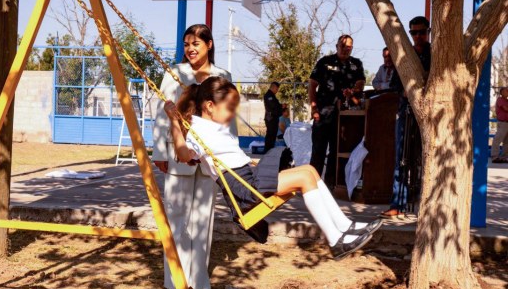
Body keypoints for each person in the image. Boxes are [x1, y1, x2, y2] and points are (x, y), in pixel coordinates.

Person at [164, 76, 382, 260]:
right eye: (229, 108)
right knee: (305, 178)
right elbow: (184, 155)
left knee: (310, 171)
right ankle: (336, 240)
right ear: (210, 106)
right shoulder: (197, 131)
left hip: (249, 178)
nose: (232, 113)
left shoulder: (214, 127)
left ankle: (346, 227)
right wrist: (174, 122)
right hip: (244, 189)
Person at [152, 24, 233, 289]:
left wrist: (225, 157)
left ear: (209, 45)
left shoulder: (223, 75)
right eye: (186, 44)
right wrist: (160, 152)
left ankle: (198, 278)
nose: (190, 49)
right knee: (177, 218)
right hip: (179, 153)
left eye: (196, 43)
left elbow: (226, 118)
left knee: (203, 217)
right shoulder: (175, 73)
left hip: (208, 156)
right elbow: (160, 112)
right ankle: (176, 279)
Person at [381, 16, 431, 218]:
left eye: (421, 32)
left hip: (427, 114)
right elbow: (394, 84)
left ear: (428, 32)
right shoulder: (405, 55)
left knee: (425, 159)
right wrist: (404, 92)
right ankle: (397, 203)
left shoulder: (435, 54)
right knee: (401, 158)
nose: (418, 36)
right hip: (405, 112)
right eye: (414, 33)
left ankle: (423, 203)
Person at [309, 35, 366, 187]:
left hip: (344, 115)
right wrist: (314, 108)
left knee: (337, 152)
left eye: (348, 47)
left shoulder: (356, 64)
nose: (345, 50)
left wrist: (353, 91)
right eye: (342, 46)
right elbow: (312, 84)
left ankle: (330, 185)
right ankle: (312, 184)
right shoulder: (325, 62)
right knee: (318, 150)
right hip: (323, 111)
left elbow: (360, 83)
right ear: (336, 46)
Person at [263, 82, 283, 152]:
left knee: (273, 135)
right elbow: (273, 106)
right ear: (273, 87)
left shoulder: (273, 96)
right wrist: (281, 106)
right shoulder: (268, 95)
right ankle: (267, 150)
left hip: (274, 118)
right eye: (277, 89)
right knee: (270, 135)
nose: (277, 90)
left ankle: (270, 150)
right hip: (270, 118)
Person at [491, 87, 508, 163]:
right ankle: (495, 157)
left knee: (507, 142)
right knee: (497, 140)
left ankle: (504, 157)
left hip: (507, 123)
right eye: (505, 91)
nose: (507, 92)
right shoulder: (500, 99)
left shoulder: (507, 100)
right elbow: (505, 109)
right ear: (501, 93)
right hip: (503, 123)